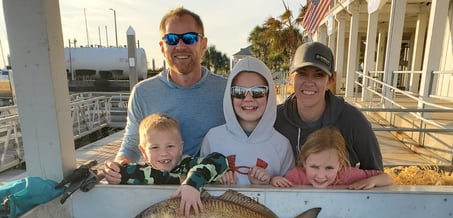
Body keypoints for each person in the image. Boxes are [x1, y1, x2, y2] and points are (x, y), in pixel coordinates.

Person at [104, 7, 227, 184]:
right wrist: (118, 165)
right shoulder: (142, 92)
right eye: (171, 39)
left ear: (203, 44)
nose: (180, 45)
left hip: (215, 187)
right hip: (161, 186)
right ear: (162, 47)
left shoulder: (226, 90)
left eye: (190, 38)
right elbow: (132, 143)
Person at [274, 41, 383, 171]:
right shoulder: (274, 119)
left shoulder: (353, 121)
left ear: (331, 80)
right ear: (291, 78)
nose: (309, 82)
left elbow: (375, 173)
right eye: (302, 74)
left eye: (318, 75)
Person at [200, 56, 294, 185]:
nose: (248, 98)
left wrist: (271, 181)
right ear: (230, 96)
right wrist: (215, 180)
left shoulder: (281, 145)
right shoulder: (213, 139)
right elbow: (199, 182)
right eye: (239, 91)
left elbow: (290, 194)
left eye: (258, 91)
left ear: (270, 94)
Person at [119, 113, 228, 217]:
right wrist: (179, 179)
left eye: (170, 146)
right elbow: (122, 172)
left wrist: (192, 183)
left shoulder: (186, 164)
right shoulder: (141, 171)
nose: (163, 153)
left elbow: (219, 159)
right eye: (155, 147)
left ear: (181, 147)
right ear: (143, 151)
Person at [271, 127, 392, 189]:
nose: (321, 175)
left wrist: (371, 181)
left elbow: (387, 178)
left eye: (329, 168)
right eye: (314, 167)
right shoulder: (295, 176)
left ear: (340, 164)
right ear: (304, 162)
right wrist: (274, 180)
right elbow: (279, 189)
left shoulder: (347, 174)